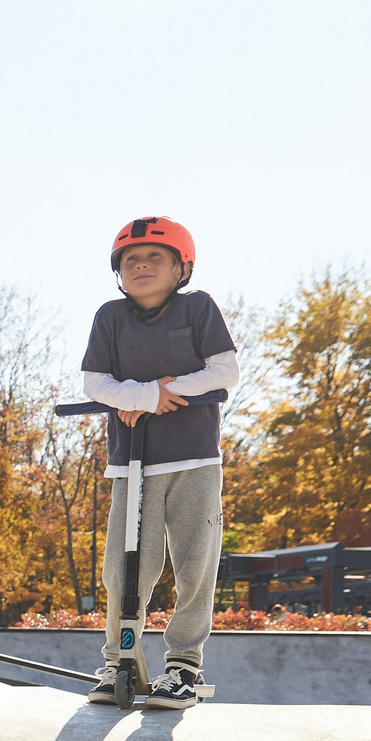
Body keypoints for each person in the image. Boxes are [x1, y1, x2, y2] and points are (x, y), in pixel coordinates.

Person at [80, 215, 240, 710]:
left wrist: (162, 392)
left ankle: (183, 667)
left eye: (155, 258)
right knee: (124, 570)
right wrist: (148, 396)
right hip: (133, 465)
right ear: (118, 271)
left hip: (193, 459)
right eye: (131, 260)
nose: (142, 265)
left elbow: (225, 371)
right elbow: (95, 383)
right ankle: (117, 662)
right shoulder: (110, 316)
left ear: (180, 269)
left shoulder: (197, 309)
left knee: (195, 563)